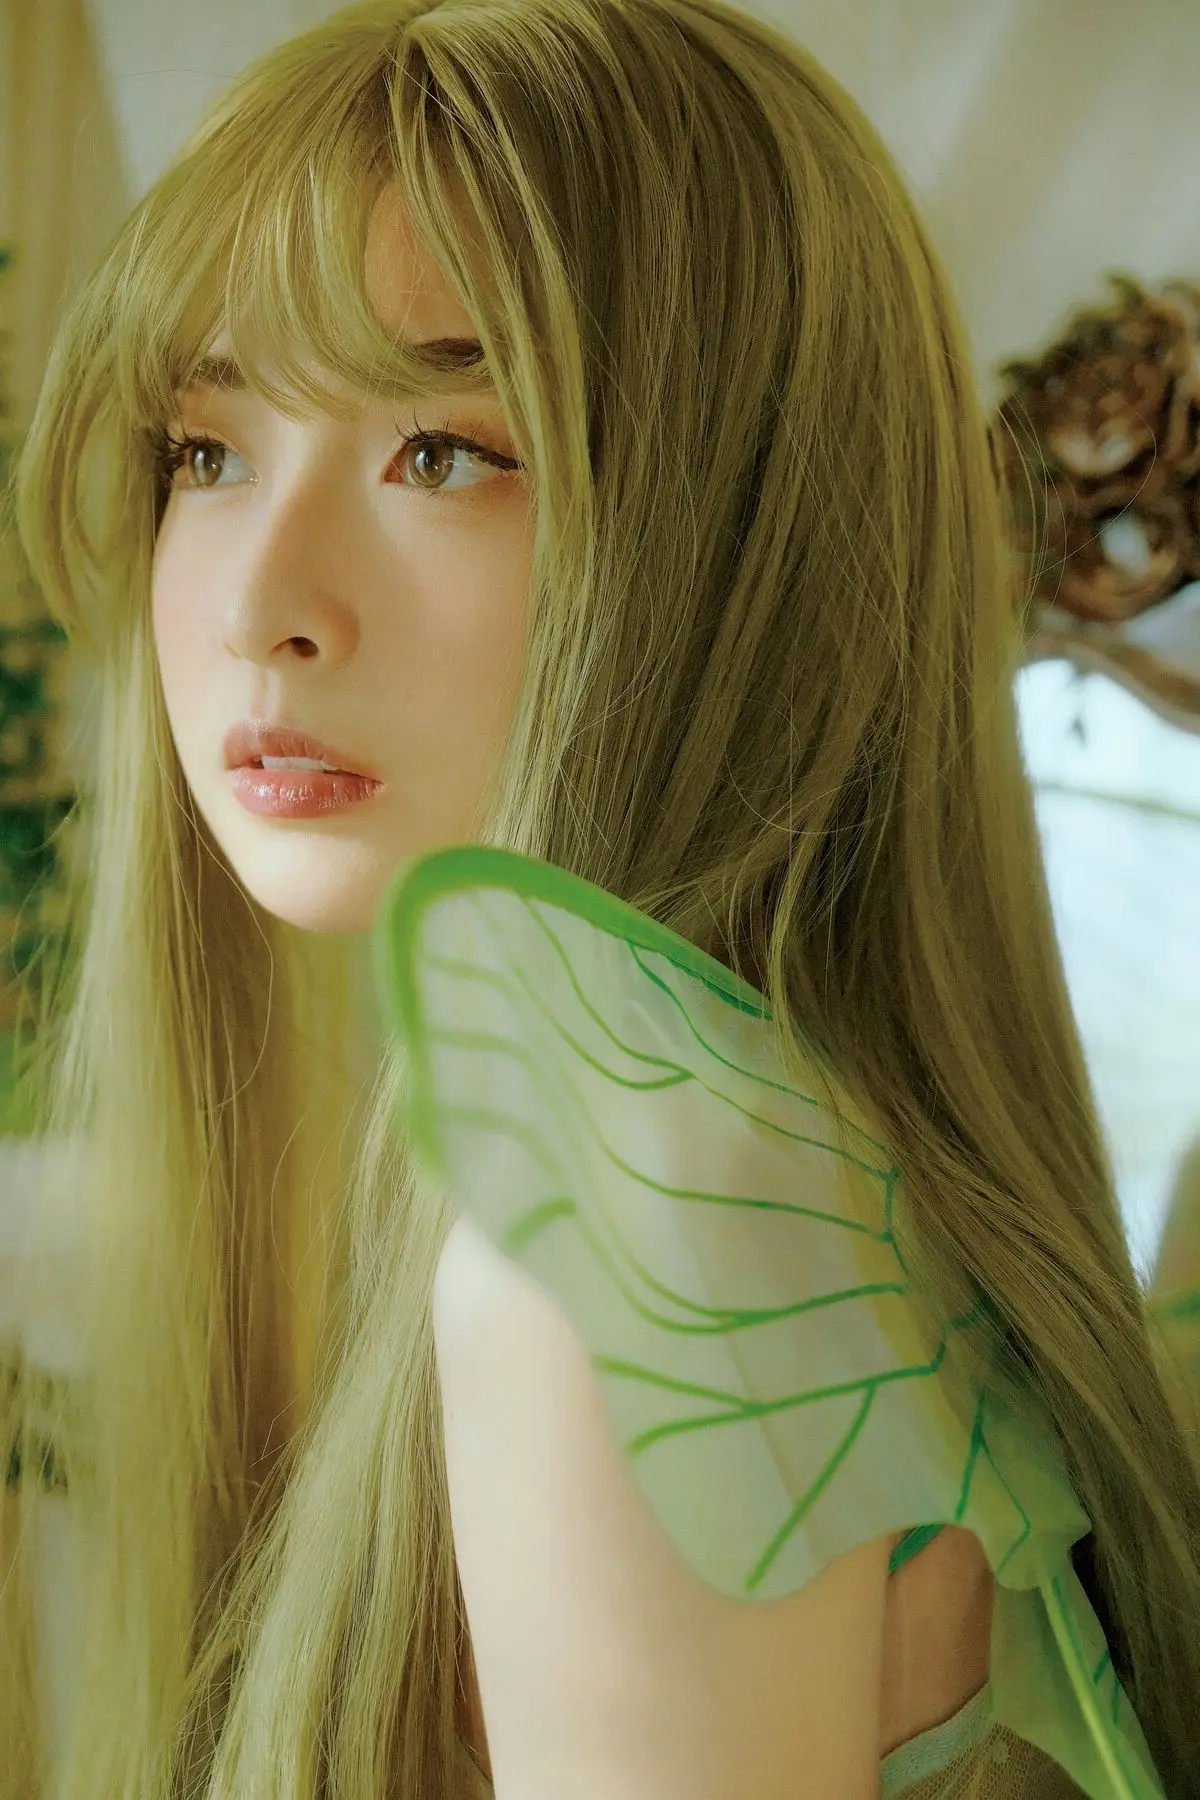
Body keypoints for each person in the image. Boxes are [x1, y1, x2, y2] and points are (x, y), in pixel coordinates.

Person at [4, 0, 1198, 1796]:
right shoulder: (783, 1157)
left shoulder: (636, 1243)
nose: (259, 607)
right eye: (208, 451)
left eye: (444, 451)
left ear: (741, 535)